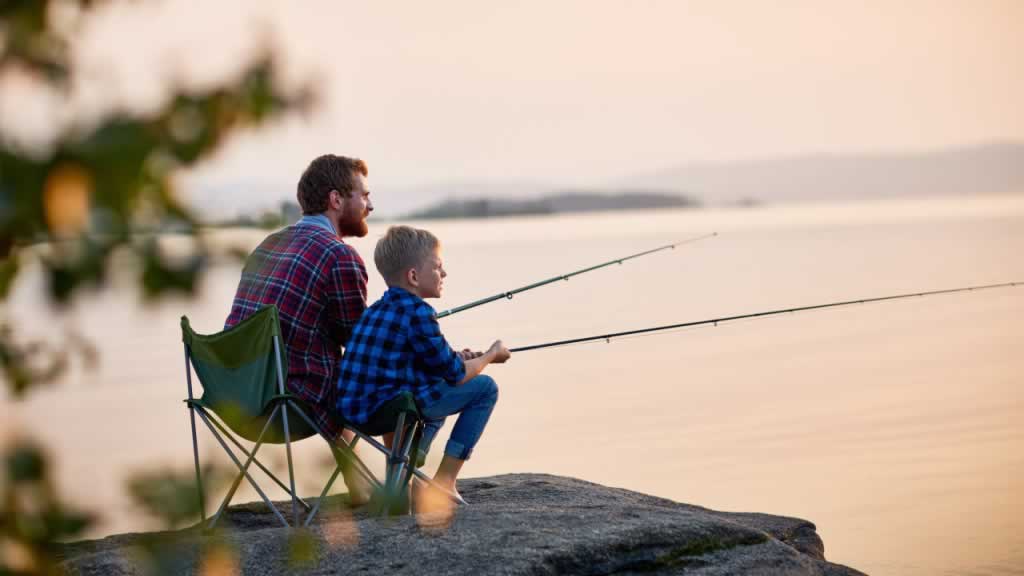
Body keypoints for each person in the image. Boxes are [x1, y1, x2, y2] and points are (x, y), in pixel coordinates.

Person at [225, 154, 373, 501]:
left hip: (235, 396)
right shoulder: (339, 256)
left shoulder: (268, 244)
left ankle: (359, 486)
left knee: (332, 370)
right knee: (378, 371)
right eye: (364, 196)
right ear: (336, 200)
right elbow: (359, 344)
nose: (370, 205)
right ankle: (391, 490)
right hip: (286, 406)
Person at [337, 225, 510, 501]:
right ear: (414, 276)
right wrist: (490, 355)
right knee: (485, 388)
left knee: (434, 382)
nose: (444, 274)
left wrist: (461, 357)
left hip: (354, 414)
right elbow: (455, 374)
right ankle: (444, 481)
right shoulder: (419, 312)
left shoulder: (374, 310)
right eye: (438, 267)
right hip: (390, 412)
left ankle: (407, 472)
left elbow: (425, 359)